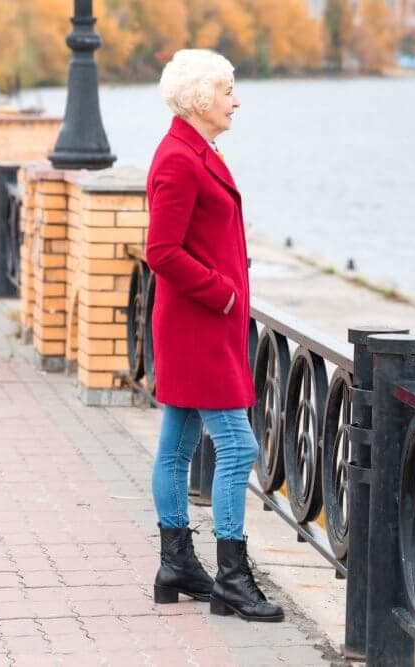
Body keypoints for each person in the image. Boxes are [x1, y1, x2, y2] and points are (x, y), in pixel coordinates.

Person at [144, 49, 283, 623]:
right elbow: (162, 252)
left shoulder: (194, 150)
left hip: (201, 326)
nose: (236, 99)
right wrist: (223, 292)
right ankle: (230, 576)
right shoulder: (179, 158)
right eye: (227, 90)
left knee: (177, 446)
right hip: (199, 325)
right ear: (201, 98)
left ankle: (176, 565)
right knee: (240, 445)